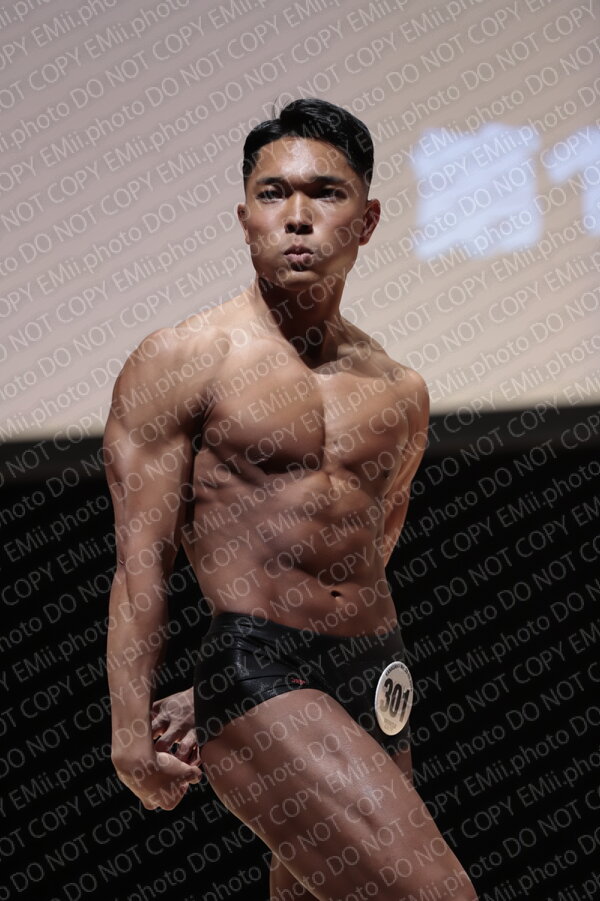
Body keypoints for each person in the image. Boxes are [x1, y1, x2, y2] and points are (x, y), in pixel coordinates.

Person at [105, 98, 478, 901]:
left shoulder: (399, 388)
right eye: (272, 194)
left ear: (367, 220)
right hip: (261, 669)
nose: (297, 216)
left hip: (378, 670)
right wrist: (133, 726)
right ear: (244, 216)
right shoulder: (183, 359)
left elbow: (372, 547)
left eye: (325, 193)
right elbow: (140, 562)